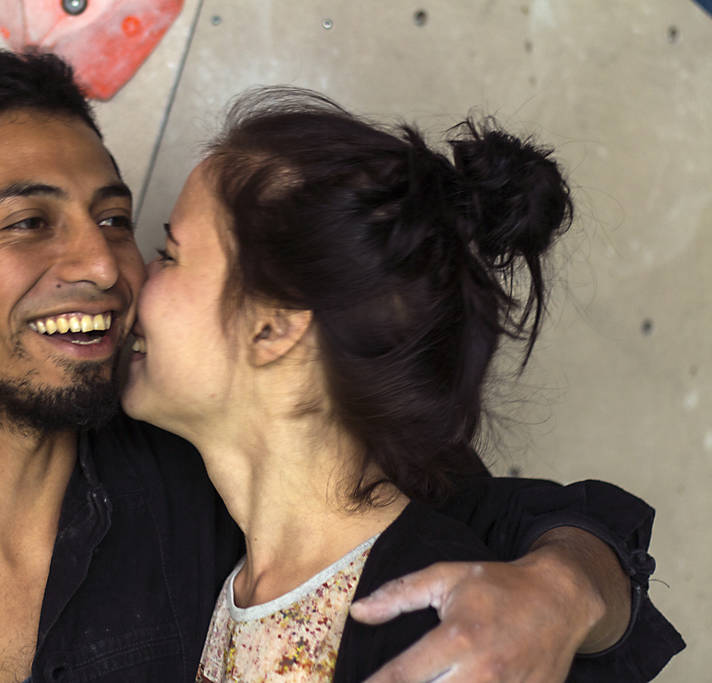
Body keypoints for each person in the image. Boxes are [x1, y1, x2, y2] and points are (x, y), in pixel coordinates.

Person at [0, 45, 681, 682]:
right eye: (30, 221)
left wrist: (561, 591)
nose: (102, 265)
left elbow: (522, 529)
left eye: (125, 223)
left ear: (273, 326)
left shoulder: (231, 497)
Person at [119, 86, 680, 681]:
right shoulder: (236, 571)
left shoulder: (449, 635)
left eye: (169, 253)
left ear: (272, 327)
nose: (132, 277)